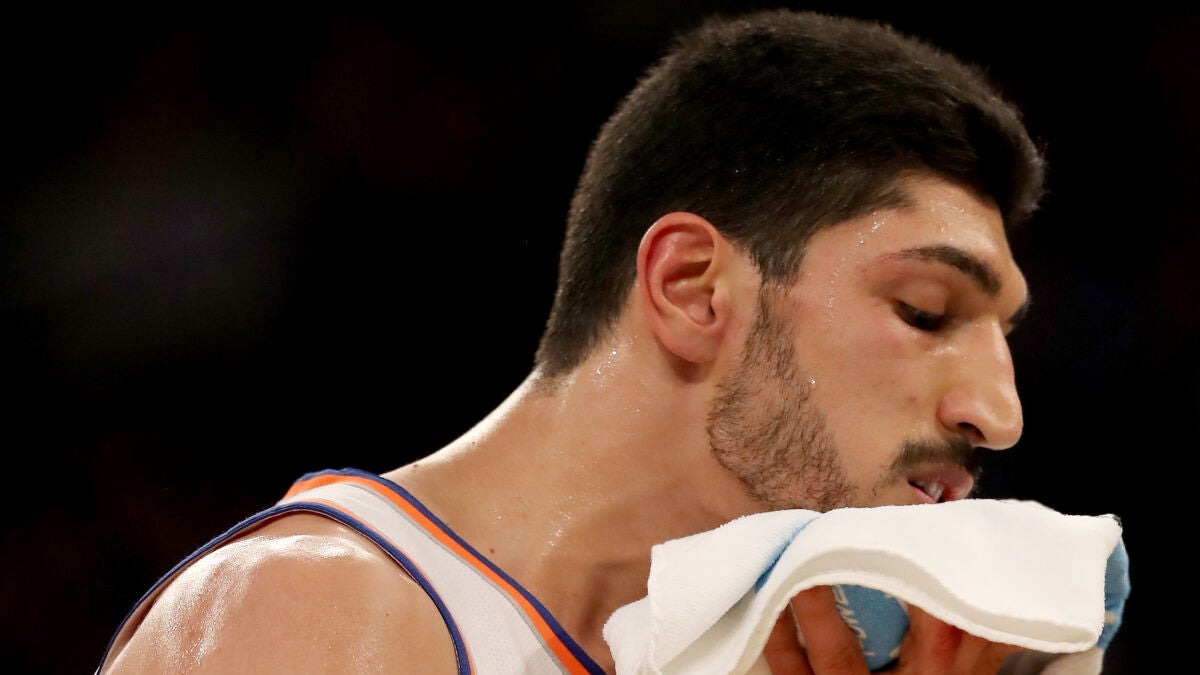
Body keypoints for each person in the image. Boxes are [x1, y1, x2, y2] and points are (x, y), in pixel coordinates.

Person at [98, 8, 1060, 674]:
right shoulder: (324, 614)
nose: (1001, 413)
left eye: (1005, 336)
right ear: (691, 288)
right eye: (925, 311)